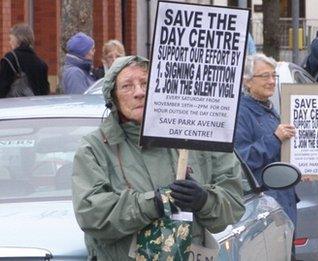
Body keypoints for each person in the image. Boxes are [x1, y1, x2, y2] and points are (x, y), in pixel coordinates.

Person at [71, 55, 245, 260]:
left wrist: (204, 200)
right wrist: (151, 203)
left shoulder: (198, 136)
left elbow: (234, 204)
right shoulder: (95, 148)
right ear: (113, 97)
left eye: (146, 83)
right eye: (127, 86)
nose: (139, 92)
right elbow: (92, 215)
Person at [234, 53, 298, 257]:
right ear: (247, 81)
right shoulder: (241, 114)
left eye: (273, 76)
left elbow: (279, 154)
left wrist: (298, 169)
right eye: (264, 76)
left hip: (283, 199)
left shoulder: (269, 108)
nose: (271, 81)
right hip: (263, 204)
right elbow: (241, 159)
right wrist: (275, 138)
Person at [0, 23, 49, 97]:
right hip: (36, 106)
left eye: (11, 39)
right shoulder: (42, 64)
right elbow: (44, 91)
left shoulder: (10, 58)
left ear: (18, 38)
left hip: (14, 105)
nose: (9, 42)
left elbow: (2, 87)